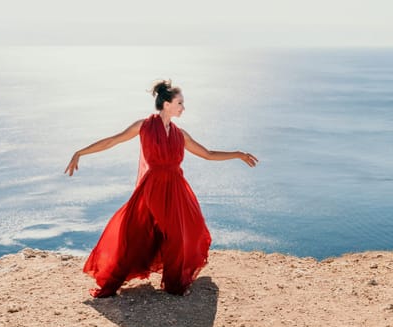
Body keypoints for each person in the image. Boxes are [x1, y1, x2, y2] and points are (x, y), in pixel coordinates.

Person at [65, 79, 258, 297]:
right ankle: (118, 279)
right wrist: (80, 152)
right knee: (140, 232)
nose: (183, 108)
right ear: (166, 104)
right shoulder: (144, 126)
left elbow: (208, 154)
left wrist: (238, 154)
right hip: (154, 187)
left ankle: (174, 284)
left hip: (177, 188)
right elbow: (113, 141)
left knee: (180, 235)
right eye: (180, 103)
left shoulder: (180, 134)